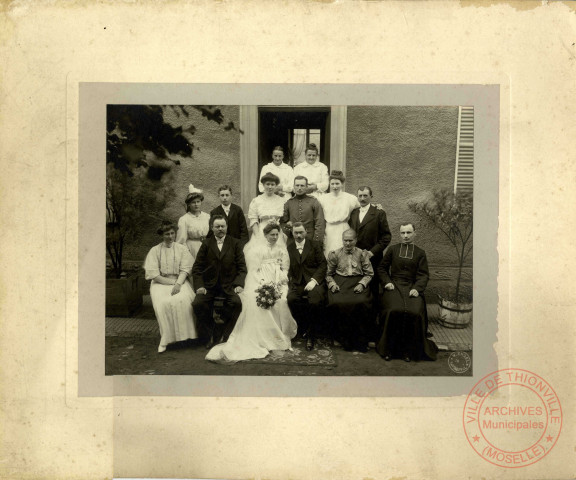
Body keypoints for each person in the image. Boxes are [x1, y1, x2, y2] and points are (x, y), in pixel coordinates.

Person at [206, 222, 298, 363]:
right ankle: (265, 337)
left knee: (282, 300)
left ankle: (279, 334)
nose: (274, 237)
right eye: (271, 235)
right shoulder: (257, 250)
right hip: (262, 280)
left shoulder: (282, 249)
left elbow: (285, 267)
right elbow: (254, 270)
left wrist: (280, 280)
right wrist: (264, 284)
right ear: (265, 235)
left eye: (276, 234)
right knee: (259, 302)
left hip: (278, 280)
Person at [376, 223, 438, 362]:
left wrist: (417, 288)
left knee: (414, 312)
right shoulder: (392, 249)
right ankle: (389, 349)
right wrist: (387, 282)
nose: (405, 236)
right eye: (403, 233)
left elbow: (423, 275)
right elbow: (381, 268)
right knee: (393, 310)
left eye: (409, 233)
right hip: (394, 285)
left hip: (412, 287)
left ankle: (409, 351)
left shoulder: (420, 252)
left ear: (414, 233)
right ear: (399, 234)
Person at [192, 215, 247, 349]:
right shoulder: (206, 243)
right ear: (212, 228)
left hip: (229, 286)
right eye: (217, 226)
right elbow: (197, 268)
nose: (220, 229)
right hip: (209, 287)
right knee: (198, 304)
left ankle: (226, 335)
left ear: (227, 227)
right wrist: (200, 286)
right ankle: (209, 334)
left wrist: (239, 284)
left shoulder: (235, 243)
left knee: (236, 303)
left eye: (223, 226)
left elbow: (242, 267)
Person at [144, 220, 197, 353]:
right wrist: (172, 284)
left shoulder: (181, 249)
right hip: (160, 283)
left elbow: (186, 269)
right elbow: (154, 274)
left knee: (184, 301)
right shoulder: (155, 250)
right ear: (162, 235)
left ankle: (185, 337)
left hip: (180, 281)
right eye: (167, 234)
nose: (170, 236)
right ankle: (166, 340)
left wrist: (178, 283)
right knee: (164, 303)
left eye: (172, 233)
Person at [348, 186, 392, 340]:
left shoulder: (379, 213)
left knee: (372, 291)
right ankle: (356, 326)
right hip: (355, 258)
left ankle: (371, 329)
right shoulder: (353, 213)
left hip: (373, 258)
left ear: (371, 196)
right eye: (360, 195)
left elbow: (386, 237)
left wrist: (372, 252)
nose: (362, 198)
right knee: (356, 288)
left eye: (365, 195)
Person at [326, 229, 373, 352]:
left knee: (362, 302)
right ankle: (340, 338)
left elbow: (369, 274)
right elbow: (328, 274)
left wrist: (362, 285)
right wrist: (332, 284)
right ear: (342, 240)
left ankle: (361, 340)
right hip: (340, 282)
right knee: (338, 303)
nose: (347, 243)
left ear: (356, 240)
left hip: (357, 282)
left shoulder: (362, 254)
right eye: (345, 240)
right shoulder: (335, 254)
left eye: (350, 240)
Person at [286, 222, 327, 350]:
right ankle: (300, 328)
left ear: (306, 232)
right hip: (297, 282)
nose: (298, 235)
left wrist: (314, 280)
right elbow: (287, 268)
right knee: (291, 299)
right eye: (295, 233)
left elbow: (323, 265)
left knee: (315, 302)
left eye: (301, 232)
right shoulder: (289, 247)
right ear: (292, 233)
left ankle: (311, 335)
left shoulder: (315, 245)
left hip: (313, 281)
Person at [318, 170, 361, 257]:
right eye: (332, 184)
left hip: (343, 227)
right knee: (329, 253)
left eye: (337, 183)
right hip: (329, 229)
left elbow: (362, 207)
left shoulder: (350, 198)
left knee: (344, 253)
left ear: (342, 184)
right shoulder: (323, 199)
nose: (335, 186)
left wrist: (376, 207)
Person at [280, 175, 325, 244]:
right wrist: (288, 230)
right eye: (297, 185)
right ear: (294, 187)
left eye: (302, 185)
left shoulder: (314, 202)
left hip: (310, 239)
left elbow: (320, 223)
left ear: (306, 187)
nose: (299, 188)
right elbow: (283, 222)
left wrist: (316, 241)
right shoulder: (289, 203)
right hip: (293, 240)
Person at [176, 184, 211, 262]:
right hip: (192, 250)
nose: (196, 204)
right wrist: (187, 254)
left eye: (198, 201)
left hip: (207, 248)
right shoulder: (184, 219)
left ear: (201, 202)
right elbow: (181, 240)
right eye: (193, 202)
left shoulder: (207, 217)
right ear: (189, 204)